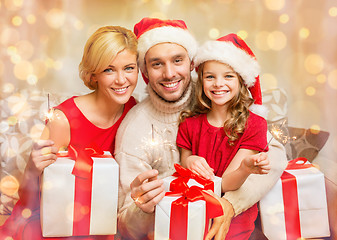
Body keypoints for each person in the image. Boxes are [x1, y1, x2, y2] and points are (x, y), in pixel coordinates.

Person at [115, 17, 287, 240]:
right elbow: (126, 224)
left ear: (191, 63)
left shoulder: (217, 94)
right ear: (145, 71)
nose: (169, 74)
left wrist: (230, 205)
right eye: (157, 63)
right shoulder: (135, 128)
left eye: (177, 60)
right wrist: (142, 207)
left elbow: (274, 154)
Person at [0, 25, 138, 240]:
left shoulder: (134, 111)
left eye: (129, 68)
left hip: (98, 221)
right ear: (94, 75)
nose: (121, 80)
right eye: (109, 70)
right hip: (52, 221)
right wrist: (31, 170)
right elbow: (28, 200)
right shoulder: (63, 119)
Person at [177, 33, 271, 239]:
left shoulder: (254, 125)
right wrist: (190, 159)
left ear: (241, 81)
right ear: (201, 81)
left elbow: (226, 184)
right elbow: (184, 160)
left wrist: (246, 168)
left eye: (228, 76)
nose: (218, 83)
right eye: (210, 76)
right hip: (193, 212)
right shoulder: (189, 123)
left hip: (234, 221)